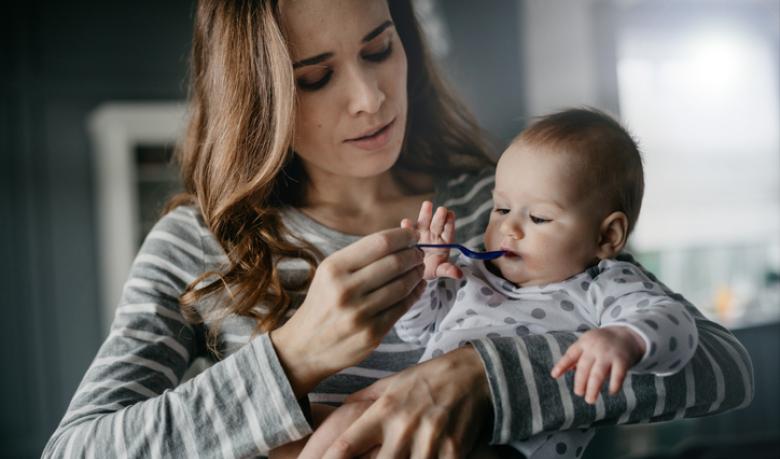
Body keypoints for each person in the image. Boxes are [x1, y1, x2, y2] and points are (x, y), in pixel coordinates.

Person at [43, 1, 753, 458]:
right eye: (317, 78)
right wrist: (292, 357)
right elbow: (78, 449)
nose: (371, 97)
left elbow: (718, 363)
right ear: (260, 98)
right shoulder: (198, 246)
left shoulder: (502, 205)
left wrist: (486, 377)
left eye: (380, 49)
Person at [280, 108, 699, 459]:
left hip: (513, 445)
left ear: (607, 237)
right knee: (336, 423)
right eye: (501, 209)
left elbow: (677, 324)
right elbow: (417, 331)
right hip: (425, 421)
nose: (508, 229)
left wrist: (625, 339)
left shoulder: (603, 284)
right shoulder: (475, 273)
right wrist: (428, 280)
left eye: (538, 219)